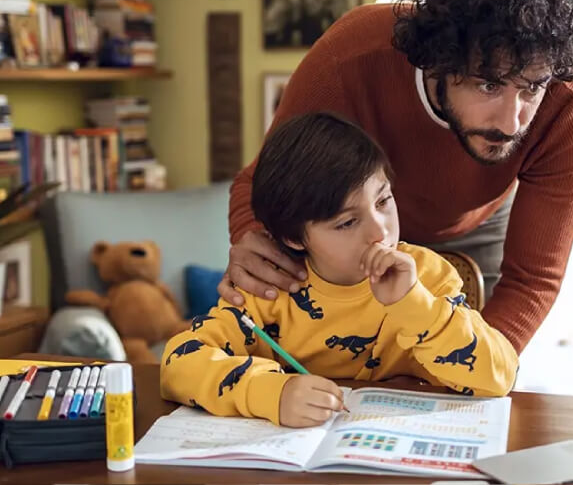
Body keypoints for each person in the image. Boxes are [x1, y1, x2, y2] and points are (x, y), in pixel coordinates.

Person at [223, 0, 573, 354]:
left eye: (531, 89)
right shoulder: (348, 58)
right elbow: (260, 184)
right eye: (488, 85)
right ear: (438, 60)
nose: (511, 123)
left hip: (477, 225)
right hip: (352, 228)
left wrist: (477, 369)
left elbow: (531, 280)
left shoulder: (569, 107)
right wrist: (254, 238)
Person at [161, 113, 518, 427]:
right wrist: (270, 393)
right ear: (294, 237)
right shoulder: (268, 289)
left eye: (383, 200)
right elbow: (178, 363)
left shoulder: (428, 276)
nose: (380, 231)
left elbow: (500, 376)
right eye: (347, 222)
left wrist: (416, 305)